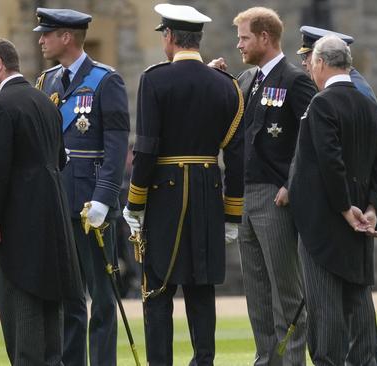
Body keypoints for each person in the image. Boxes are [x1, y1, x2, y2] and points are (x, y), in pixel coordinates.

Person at [123, 4, 244, 365]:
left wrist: (135, 202)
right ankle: (203, 360)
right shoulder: (227, 85)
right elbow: (236, 157)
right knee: (200, 287)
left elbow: (145, 149)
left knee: (157, 289)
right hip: (208, 193)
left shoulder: (155, 79)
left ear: (170, 37)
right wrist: (233, 213)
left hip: (163, 197)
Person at [0, 37, 83, 365]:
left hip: (18, 221)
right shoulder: (46, 102)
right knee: (51, 304)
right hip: (54, 215)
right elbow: (61, 160)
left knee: (20, 305)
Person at [288, 35, 377, 365]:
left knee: (325, 309)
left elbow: (329, 163)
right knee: (358, 302)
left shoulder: (322, 104)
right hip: (361, 221)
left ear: (320, 63)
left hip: (326, 223)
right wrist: (372, 209)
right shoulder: (368, 105)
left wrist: (346, 209)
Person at [33, 8, 129, 365]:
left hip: (92, 205)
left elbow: (117, 146)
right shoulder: (46, 82)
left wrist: (104, 198)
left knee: (102, 298)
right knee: (69, 298)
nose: (41, 40)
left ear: (67, 37)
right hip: (60, 201)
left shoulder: (106, 80)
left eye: (47, 33)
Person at [230, 7, 318, 365]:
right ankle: (267, 359)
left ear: (265, 38)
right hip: (247, 195)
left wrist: (290, 183)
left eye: (244, 37)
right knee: (257, 292)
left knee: (286, 291)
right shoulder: (249, 80)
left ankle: (291, 360)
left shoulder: (295, 80)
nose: (239, 44)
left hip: (276, 196)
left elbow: (312, 138)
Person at [297, 25, 377, 105]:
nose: (303, 63)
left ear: (321, 58)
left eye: (306, 56)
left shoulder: (353, 91)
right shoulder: (344, 86)